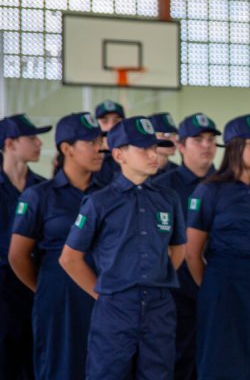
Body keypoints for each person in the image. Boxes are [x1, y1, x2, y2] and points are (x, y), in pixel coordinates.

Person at [59, 116, 185, 379]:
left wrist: (154, 278)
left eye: (154, 148)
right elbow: (70, 258)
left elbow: (178, 249)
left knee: (158, 374)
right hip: (115, 307)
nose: (153, 155)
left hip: (158, 307)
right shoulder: (99, 202)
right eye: (143, 149)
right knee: (108, 373)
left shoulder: (168, 199)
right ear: (119, 155)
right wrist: (104, 294)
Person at [8, 112, 103, 380]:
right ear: (67, 148)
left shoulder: (107, 194)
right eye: (90, 143)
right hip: (58, 297)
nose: (99, 149)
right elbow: (18, 255)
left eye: (100, 141)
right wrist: (45, 288)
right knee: (59, 367)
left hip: (100, 295)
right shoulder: (40, 196)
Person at [186, 114, 250, 379]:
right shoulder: (209, 191)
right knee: (221, 359)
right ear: (233, 147)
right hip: (222, 285)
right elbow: (192, 253)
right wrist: (212, 288)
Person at [152, 112, 221, 380]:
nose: (207, 145)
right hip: (177, 293)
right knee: (179, 361)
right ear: (180, 146)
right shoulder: (161, 189)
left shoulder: (229, 186)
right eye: (198, 139)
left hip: (219, 290)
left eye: (211, 139)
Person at [0, 113, 50, 380]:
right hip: (3, 290)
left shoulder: (42, 189)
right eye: (31, 138)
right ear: (9, 144)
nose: (39, 144)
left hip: (34, 286)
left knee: (35, 360)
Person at [92, 100, 125, 185]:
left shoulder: (132, 154)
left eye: (116, 121)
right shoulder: (89, 155)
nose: (111, 126)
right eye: (104, 121)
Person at [148, 112, 180, 179]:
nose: (174, 140)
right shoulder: (139, 172)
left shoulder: (179, 173)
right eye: (166, 135)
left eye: (174, 134)